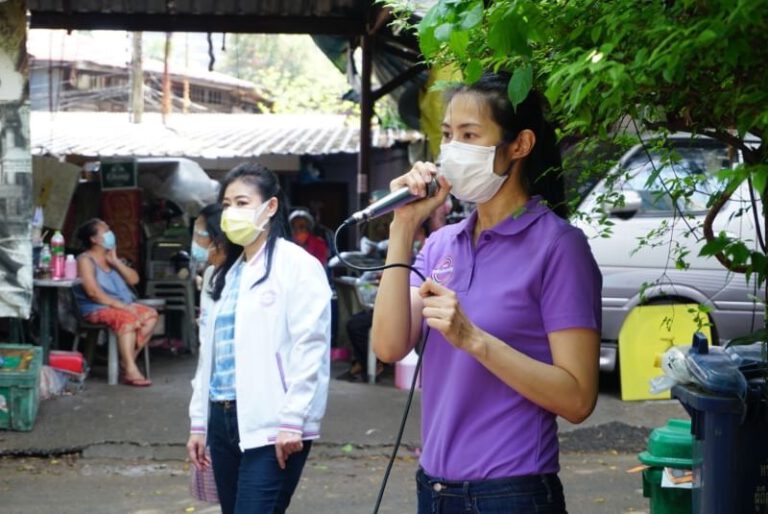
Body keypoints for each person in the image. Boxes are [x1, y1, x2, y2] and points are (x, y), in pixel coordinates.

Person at [371, 72, 602, 513]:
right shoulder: (442, 243)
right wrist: (403, 227)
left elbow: (577, 399)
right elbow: (387, 345)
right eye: (447, 135)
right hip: (435, 489)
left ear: (519, 145)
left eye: (470, 135)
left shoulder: (558, 247)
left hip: (511, 492)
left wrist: (472, 339)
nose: (453, 149)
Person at [186, 163, 332, 514]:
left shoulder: (297, 265)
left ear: (269, 207)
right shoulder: (221, 276)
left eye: (242, 202)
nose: (231, 212)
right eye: (227, 204)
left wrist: (293, 420)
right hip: (221, 418)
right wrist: (199, 424)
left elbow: (309, 346)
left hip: (274, 421)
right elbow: (210, 356)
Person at [73, 218, 158, 387]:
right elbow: (92, 293)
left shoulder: (111, 259)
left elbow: (134, 279)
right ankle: (131, 370)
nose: (110, 234)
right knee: (127, 319)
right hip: (96, 308)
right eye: (106, 231)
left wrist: (116, 262)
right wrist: (121, 306)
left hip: (121, 305)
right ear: (94, 239)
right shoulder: (85, 260)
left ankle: (127, 360)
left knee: (151, 315)